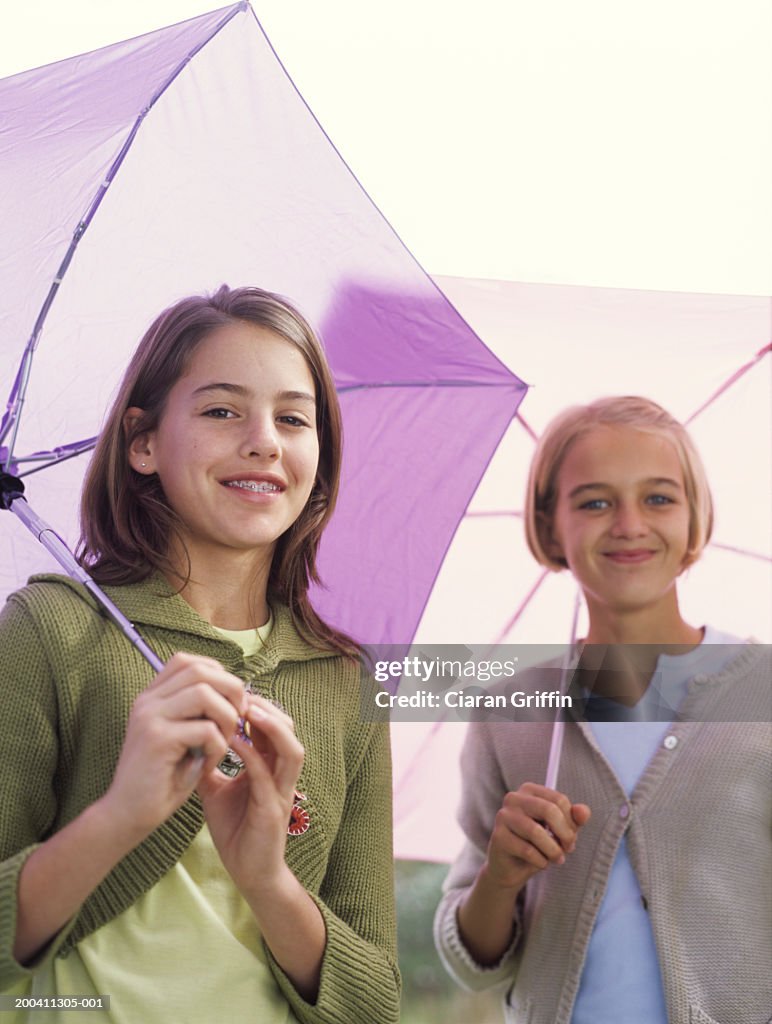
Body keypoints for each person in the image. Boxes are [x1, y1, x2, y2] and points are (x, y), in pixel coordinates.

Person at [0, 286, 400, 1024]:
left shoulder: (348, 683)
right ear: (142, 442)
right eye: (222, 411)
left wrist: (268, 878)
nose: (264, 442)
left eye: (293, 418)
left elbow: (372, 1004)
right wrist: (121, 814)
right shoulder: (50, 631)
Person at [434, 396, 770, 1024]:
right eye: (594, 501)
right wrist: (502, 876)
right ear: (549, 525)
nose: (629, 524)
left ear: (696, 518)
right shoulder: (508, 713)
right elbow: (473, 957)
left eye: (659, 498)